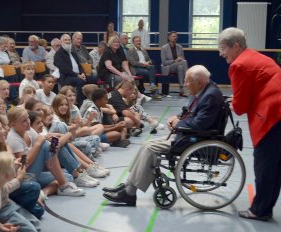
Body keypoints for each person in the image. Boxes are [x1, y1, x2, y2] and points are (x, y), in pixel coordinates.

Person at [103, 65, 224, 206]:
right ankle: (129, 184)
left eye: (188, 81)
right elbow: (191, 113)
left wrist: (178, 123)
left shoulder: (209, 96)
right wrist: (177, 118)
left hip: (195, 139)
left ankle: (130, 192)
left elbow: (200, 124)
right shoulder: (206, 91)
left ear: (200, 82)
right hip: (190, 134)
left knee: (150, 148)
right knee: (146, 145)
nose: (185, 84)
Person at [218, 27, 281, 221]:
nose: (221, 54)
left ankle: (259, 210)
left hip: (272, 113)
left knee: (265, 162)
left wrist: (235, 101)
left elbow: (240, 107)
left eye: (223, 49)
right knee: (275, 165)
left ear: (236, 46)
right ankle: (264, 207)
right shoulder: (257, 56)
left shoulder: (239, 65)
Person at [54, 34, 96, 107]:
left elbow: (79, 65)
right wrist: (77, 75)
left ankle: (93, 100)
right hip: (66, 77)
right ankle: (80, 103)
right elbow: (64, 69)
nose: (67, 41)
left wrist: (82, 73)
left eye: (69, 40)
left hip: (78, 75)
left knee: (94, 79)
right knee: (80, 81)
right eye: (65, 40)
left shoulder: (73, 53)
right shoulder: (58, 54)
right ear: (61, 42)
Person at [161, 31, 188, 96]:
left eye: (176, 36)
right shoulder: (164, 48)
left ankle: (181, 89)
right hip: (168, 66)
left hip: (178, 66)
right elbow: (164, 62)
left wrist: (180, 60)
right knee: (184, 62)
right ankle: (188, 79)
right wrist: (174, 61)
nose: (175, 38)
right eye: (173, 36)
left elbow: (182, 59)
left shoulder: (180, 47)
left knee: (181, 67)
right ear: (169, 38)